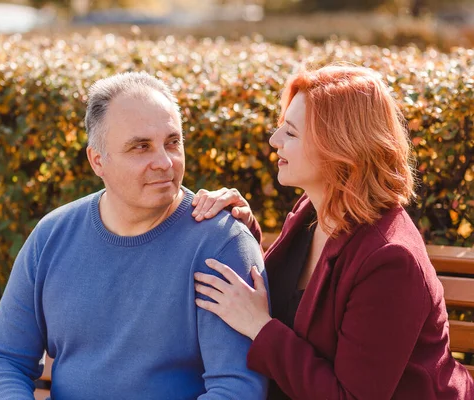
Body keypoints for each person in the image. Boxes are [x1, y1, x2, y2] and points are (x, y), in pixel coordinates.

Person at [0, 71, 268, 399]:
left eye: (172, 142)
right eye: (141, 147)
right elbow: (1, 359)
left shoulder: (220, 245)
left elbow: (236, 388)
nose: (164, 162)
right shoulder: (52, 236)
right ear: (98, 160)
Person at [192, 65, 474, 399]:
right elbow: (291, 299)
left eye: (292, 133)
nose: (274, 140)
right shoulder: (313, 210)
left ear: (341, 148)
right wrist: (239, 226)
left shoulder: (391, 261)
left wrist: (259, 326)